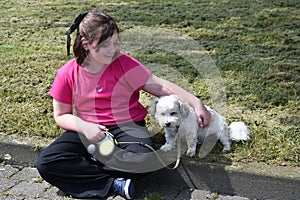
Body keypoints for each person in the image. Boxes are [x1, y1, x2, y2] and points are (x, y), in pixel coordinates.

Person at [35, 10, 211, 199]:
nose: (113, 50)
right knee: (46, 163)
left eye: (115, 43)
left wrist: (196, 103)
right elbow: (61, 115)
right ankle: (114, 183)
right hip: (87, 130)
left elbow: (162, 88)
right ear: (86, 44)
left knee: (144, 160)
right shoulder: (67, 73)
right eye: (105, 45)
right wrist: (85, 127)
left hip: (128, 128)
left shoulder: (124, 64)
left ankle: (89, 170)